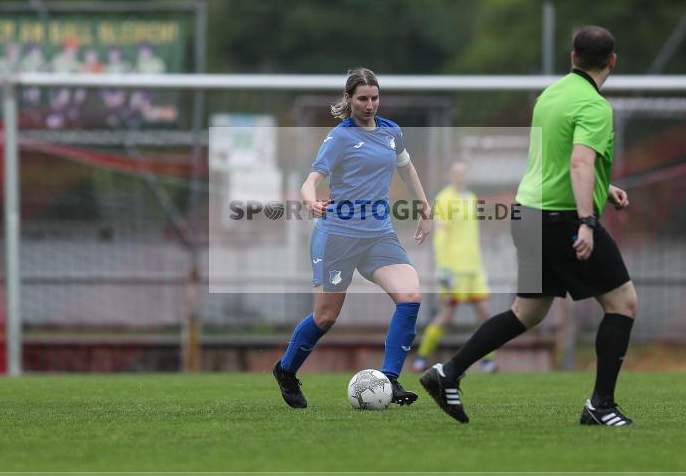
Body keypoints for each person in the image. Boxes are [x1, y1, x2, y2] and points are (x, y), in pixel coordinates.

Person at [420, 26, 638, 426]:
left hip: (529, 215)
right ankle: (600, 405)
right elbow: (578, 163)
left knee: (528, 311)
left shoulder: (549, 96)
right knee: (623, 303)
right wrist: (588, 221)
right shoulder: (595, 106)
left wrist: (604, 190)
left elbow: (556, 163)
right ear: (613, 61)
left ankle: (448, 372)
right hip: (563, 220)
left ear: (572, 57)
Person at [273, 68, 432, 409]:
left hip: (378, 235)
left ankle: (388, 381)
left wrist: (424, 205)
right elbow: (311, 179)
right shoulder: (340, 137)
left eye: (375, 98)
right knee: (326, 317)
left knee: (411, 296)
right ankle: (286, 371)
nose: (370, 105)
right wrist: (310, 200)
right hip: (338, 235)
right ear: (349, 99)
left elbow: (406, 168)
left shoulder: (392, 132)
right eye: (362, 99)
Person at [413, 161, 497, 374]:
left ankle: (488, 361)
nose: (460, 176)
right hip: (454, 268)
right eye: (456, 172)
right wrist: (444, 268)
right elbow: (441, 236)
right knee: (446, 315)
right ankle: (422, 357)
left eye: (463, 172)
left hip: (474, 269)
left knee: (487, 315)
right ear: (450, 174)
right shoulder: (444, 198)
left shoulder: (471, 199)